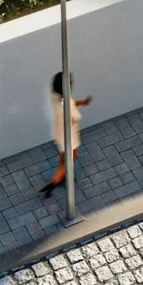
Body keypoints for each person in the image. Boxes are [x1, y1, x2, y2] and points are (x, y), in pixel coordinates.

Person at [41, 71, 90, 200]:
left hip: (60, 133)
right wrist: (79, 105)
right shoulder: (66, 105)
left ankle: (60, 177)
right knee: (69, 160)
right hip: (70, 137)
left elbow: (70, 102)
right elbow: (76, 116)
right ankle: (53, 184)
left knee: (63, 158)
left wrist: (81, 102)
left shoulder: (54, 97)